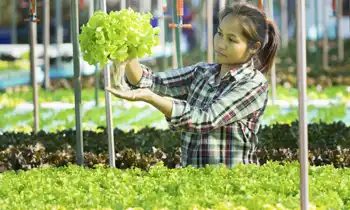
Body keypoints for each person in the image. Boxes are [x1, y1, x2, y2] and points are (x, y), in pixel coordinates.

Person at [106, 2, 280, 168]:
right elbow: (151, 82)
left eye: (231, 40)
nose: (220, 43)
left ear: (254, 47)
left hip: (230, 184)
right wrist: (127, 51)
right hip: (193, 176)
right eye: (219, 33)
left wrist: (151, 98)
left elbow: (207, 119)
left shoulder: (254, 84)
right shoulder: (202, 72)